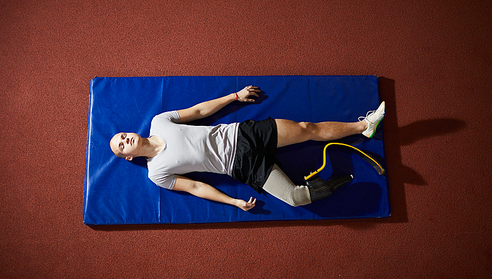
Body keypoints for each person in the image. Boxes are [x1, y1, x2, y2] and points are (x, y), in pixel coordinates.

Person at [110, 86, 385, 211]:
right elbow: (195, 187)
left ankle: (364, 126)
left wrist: (235, 97)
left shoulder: (160, 122)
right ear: (129, 156)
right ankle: (343, 177)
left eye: (123, 135)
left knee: (305, 129)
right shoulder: (156, 173)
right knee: (295, 198)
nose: (125, 140)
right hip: (240, 167)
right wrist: (233, 202)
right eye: (122, 146)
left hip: (243, 135)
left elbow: (198, 110)